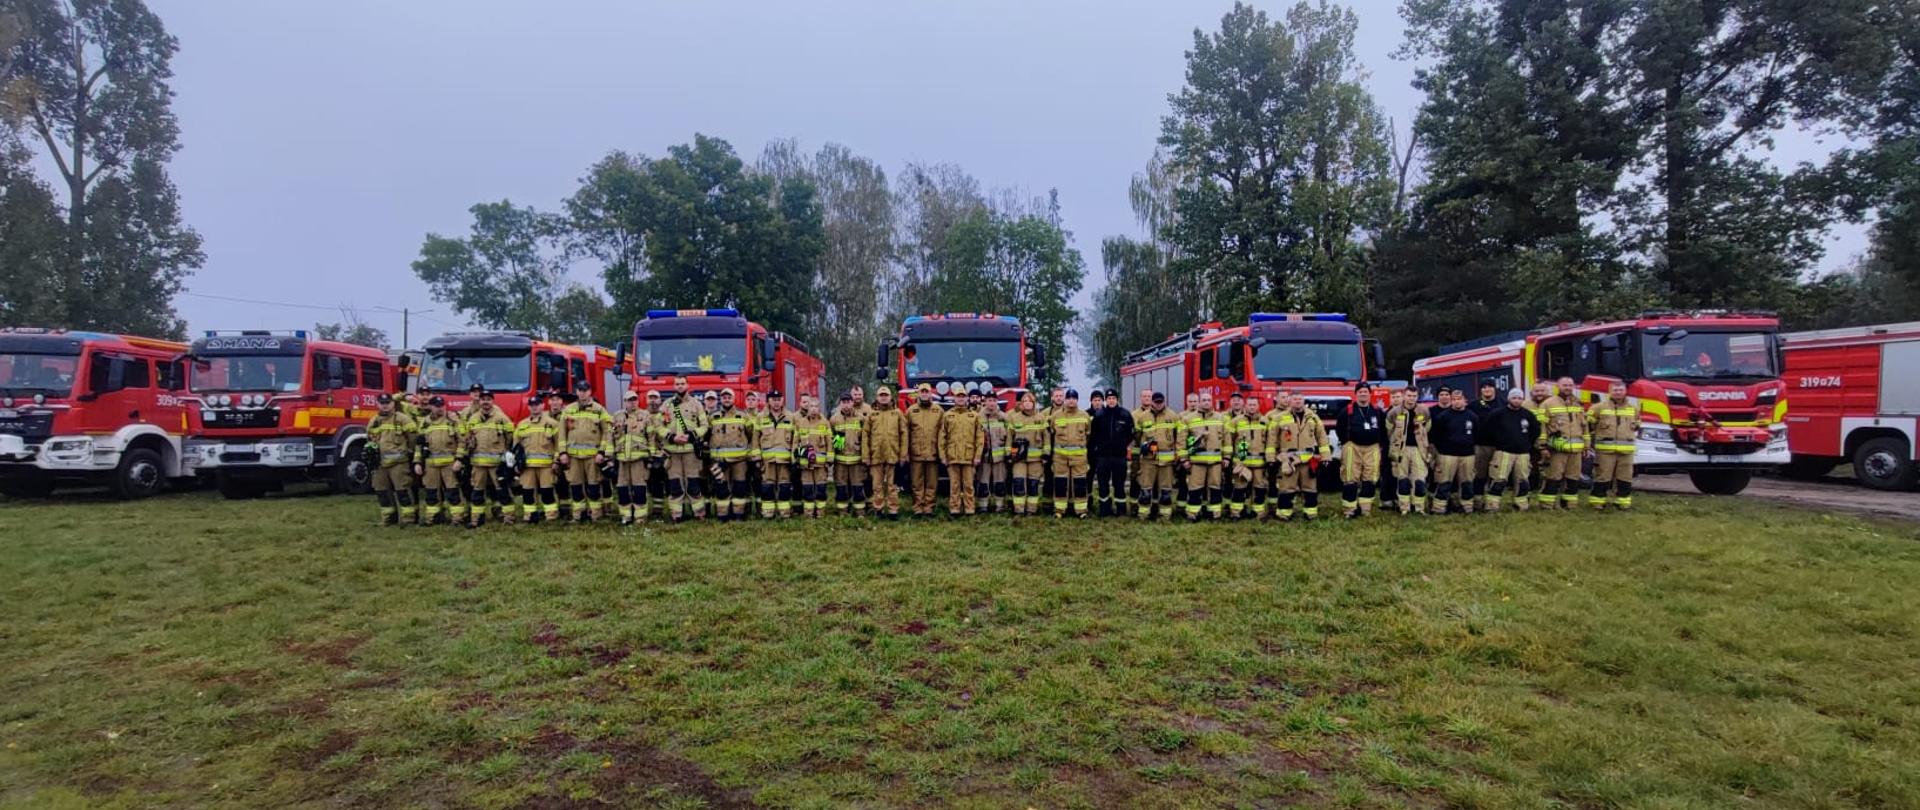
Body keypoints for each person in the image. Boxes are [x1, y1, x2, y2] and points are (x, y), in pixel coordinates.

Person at [558, 380, 613, 523]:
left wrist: (602, 452)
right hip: (573, 457)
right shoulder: (568, 410)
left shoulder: (599, 410)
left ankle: (595, 515)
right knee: (575, 486)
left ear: (590, 392)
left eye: (585, 390)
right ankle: (578, 515)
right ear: (576, 392)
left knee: (593, 486)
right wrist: (562, 453)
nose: (582, 393)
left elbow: (607, 432)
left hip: (593, 456)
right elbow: (562, 433)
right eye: (579, 390)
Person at [658, 376, 711, 522]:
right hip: (672, 452)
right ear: (673, 386)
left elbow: (705, 426)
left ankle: (699, 514)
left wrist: (692, 435)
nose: (680, 386)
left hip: (690, 451)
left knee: (693, 483)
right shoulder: (666, 405)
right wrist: (671, 437)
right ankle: (676, 515)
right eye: (677, 384)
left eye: (682, 383)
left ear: (688, 385)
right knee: (675, 484)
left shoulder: (696, 404)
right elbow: (658, 426)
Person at [1270, 391, 1330, 520]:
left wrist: (1325, 455)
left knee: (1310, 488)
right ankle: (1284, 514)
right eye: (1295, 399)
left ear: (1304, 401)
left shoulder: (1313, 417)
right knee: (1287, 488)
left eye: (1300, 399)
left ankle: (1311, 513)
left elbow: (1322, 437)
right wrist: (1271, 458)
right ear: (1289, 402)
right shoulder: (1279, 418)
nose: (1297, 401)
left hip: (1308, 460)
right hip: (1288, 460)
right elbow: (1272, 439)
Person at [366, 393, 418, 526]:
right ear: (377, 404)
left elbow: (413, 438)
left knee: (403, 491)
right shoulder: (374, 421)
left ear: (393, 404)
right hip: (379, 464)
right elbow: (370, 438)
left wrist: (409, 453)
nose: (385, 405)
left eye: (388, 403)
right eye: (382, 403)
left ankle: (409, 519)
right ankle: (388, 519)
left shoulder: (403, 419)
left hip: (399, 463)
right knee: (381, 491)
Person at [1484, 388, 1541, 511]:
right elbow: (1487, 431)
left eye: (1519, 398)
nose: (1517, 400)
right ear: (1509, 399)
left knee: (1522, 481)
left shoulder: (1528, 415)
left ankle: (1521, 505)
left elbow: (1535, 432)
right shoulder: (1498, 414)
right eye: (1514, 398)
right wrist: (1499, 442)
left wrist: (1526, 443)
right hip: (1503, 452)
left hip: (1523, 454)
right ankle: (1492, 506)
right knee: (1499, 480)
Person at [414, 396, 468, 526]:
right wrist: (417, 462)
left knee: (453, 492)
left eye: (442, 405)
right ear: (430, 407)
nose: (440, 408)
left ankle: (457, 518)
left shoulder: (453, 420)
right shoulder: (425, 422)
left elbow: (463, 441)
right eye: (437, 406)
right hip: (430, 464)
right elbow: (419, 444)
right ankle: (433, 517)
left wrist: (459, 460)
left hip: (450, 463)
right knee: (431, 492)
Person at [464, 391, 514, 527]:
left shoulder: (501, 418)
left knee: (502, 491)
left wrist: (505, 453)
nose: (485, 402)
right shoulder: (473, 419)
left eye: (488, 399)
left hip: (497, 464)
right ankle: (476, 519)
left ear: (493, 401)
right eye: (483, 399)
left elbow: (510, 436)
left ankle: (508, 517)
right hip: (478, 464)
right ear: (479, 402)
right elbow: (467, 438)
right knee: (477, 492)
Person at [1336, 384, 1387, 518]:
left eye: (1365, 392)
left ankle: (1365, 510)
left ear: (1370, 394)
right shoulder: (1347, 411)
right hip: (1353, 447)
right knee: (1350, 478)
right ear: (1356, 394)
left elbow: (1384, 429)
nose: (1363, 394)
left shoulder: (1377, 411)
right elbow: (1339, 428)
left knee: (1370, 478)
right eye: (1360, 392)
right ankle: (1350, 510)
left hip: (1373, 448)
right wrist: (1346, 442)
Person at [1587, 381, 1639, 509]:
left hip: (1626, 452)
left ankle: (1623, 503)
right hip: (1605, 451)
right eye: (1615, 390)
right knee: (1603, 477)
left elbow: (1637, 426)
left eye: (1620, 390)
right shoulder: (1598, 407)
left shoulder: (1633, 408)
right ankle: (1598, 502)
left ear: (1625, 391)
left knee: (1625, 478)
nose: (1618, 392)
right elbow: (1588, 426)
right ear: (1609, 391)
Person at [1427, 386, 1478, 514]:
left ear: (1465, 400)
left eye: (1459, 399)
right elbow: (1434, 435)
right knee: (1444, 482)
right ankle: (1439, 508)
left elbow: (1477, 434)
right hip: (1447, 455)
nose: (1456, 401)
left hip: (1467, 455)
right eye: (1454, 399)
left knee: (1467, 482)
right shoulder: (1443, 417)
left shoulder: (1472, 416)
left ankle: (1467, 507)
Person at [514, 394, 563, 523]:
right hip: (527, 467)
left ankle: (551, 515)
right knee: (527, 492)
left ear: (543, 406)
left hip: (546, 466)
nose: (535, 408)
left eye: (537, 405)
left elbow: (559, 445)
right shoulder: (522, 425)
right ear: (529, 407)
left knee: (547, 492)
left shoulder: (552, 424)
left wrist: (556, 462)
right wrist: (516, 464)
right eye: (532, 405)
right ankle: (530, 515)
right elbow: (516, 447)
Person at [707, 389, 755, 521]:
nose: (726, 399)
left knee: (740, 487)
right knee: (721, 488)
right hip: (718, 461)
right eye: (724, 397)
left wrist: (749, 452)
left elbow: (751, 434)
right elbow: (706, 435)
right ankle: (722, 515)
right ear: (721, 399)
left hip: (740, 460)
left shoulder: (743, 416)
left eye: (729, 397)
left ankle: (739, 515)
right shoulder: (712, 416)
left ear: (733, 399)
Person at [1541, 376, 1589, 509]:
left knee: (1573, 478)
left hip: (1576, 450)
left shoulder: (1578, 404)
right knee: (1553, 477)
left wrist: (1587, 446)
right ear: (1558, 386)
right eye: (1564, 385)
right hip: (1557, 448)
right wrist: (1543, 446)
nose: (1567, 387)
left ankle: (1569, 504)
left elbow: (1584, 426)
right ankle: (1547, 505)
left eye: (1570, 385)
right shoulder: (1548, 403)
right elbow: (1542, 427)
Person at [1179, 391, 1227, 520]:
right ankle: (1193, 514)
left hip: (1215, 462)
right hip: (1196, 462)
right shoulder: (1188, 419)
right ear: (1200, 402)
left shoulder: (1220, 418)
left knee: (1215, 488)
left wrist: (1226, 457)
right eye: (1204, 400)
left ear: (1212, 401)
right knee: (1195, 489)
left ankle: (1214, 514)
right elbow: (1181, 441)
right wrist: (1184, 460)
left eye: (1208, 400)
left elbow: (1226, 439)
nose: (1206, 402)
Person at [938, 390, 985, 516]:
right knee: (954, 486)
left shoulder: (974, 416)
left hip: (969, 457)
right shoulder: (947, 415)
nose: (960, 399)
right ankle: (955, 509)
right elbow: (942, 437)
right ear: (954, 398)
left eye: (963, 397)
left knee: (969, 485)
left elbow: (980, 438)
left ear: (967, 399)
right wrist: (942, 456)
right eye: (958, 397)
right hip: (952, 456)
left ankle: (970, 509)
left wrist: (978, 456)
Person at [1134, 391, 1179, 520]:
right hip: (1148, 461)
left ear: (1164, 401)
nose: (1158, 405)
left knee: (1166, 491)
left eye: (1161, 402)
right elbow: (1137, 437)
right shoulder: (1143, 417)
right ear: (1152, 402)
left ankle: (1165, 515)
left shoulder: (1173, 416)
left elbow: (1179, 436)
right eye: (1156, 402)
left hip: (1167, 462)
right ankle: (1143, 514)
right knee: (1146, 490)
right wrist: (1144, 446)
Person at [612, 391, 655, 525]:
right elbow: (611, 436)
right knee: (622, 488)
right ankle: (626, 516)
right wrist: (609, 456)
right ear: (624, 402)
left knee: (639, 488)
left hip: (639, 458)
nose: (633, 402)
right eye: (630, 400)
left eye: (635, 400)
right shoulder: (617, 416)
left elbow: (651, 437)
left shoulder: (645, 415)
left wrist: (652, 455)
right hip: (622, 459)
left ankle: (640, 517)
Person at [1386, 388, 1431, 515]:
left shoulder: (1424, 410)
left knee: (1419, 480)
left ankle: (1419, 508)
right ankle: (1404, 508)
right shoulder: (1394, 412)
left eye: (1414, 396)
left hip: (1419, 449)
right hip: (1401, 450)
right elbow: (1389, 430)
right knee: (1403, 480)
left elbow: (1428, 427)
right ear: (1404, 396)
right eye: (1409, 395)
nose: (1412, 398)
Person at [1090, 388, 1134, 517]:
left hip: (1119, 456)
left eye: (1113, 398)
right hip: (1103, 456)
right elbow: (1094, 434)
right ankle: (1105, 509)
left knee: (1119, 484)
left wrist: (1122, 444)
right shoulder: (1099, 415)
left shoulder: (1125, 414)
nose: (1111, 400)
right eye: (1108, 398)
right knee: (1103, 485)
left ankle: (1120, 510)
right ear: (1106, 400)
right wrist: (1099, 447)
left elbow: (1130, 434)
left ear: (1117, 399)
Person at [1050, 389, 1093, 518]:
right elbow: (1052, 434)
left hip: (1079, 458)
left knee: (1080, 483)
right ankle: (1059, 510)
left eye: (1074, 398)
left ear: (1077, 400)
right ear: (1065, 400)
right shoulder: (1056, 416)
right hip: (1060, 458)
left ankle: (1081, 511)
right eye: (1068, 398)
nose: (1071, 400)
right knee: (1060, 483)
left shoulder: (1084, 416)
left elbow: (1088, 435)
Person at [1226, 393, 1270, 519]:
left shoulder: (1265, 421)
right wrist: (1231, 459)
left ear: (1258, 406)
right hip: (1242, 462)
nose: (1252, 407)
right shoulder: (1235, 422)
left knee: (1259, 489)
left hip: (1259, 463)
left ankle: (1259, 513)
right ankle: (1236, 513)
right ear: (1245, 406)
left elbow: (1270, 441)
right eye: (1249, 404)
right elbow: (1229, 441)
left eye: (1254, 405)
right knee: (1239, 488)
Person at [755, 391, 797, 518]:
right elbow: (755, 439)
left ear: (782, 400)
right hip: (767, 461)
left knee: (784, 487)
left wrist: (794, 459)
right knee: (767, 487)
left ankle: (784, 513)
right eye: (773, 399)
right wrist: (757, 458)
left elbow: (796, 439)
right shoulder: (761, 417)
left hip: (784, 461)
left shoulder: (791, 417)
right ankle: (768, 513)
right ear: (768, 401)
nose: (776, 402)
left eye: (779, 399)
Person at [1007, 392, 1050, 516]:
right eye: (1024, 401)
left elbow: (1046, 437)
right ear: (1021, 403)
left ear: (1033, 403)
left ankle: (1031, 509)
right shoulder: (1014, 418)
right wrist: (1008, 454)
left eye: (1029, 401)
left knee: (1033, 485)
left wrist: (1046, 454)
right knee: (1018, 483)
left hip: (1036, 459)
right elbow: (1010, 438)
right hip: (1019, 459)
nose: (1027, 403)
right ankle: (1019, 509)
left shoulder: (1041, 418)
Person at [905, 383, 945, 517]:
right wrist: (906, 452)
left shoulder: (938, 411)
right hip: (916, 453)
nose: (924, 394)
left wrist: (941, 452)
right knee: (916, 483)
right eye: (922, 392)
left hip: (933, 453)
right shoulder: (911, 411)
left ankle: (929, 508)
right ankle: (917, 508)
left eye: (926, 392)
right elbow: (906, 433)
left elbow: (943, 433)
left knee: (932, 483)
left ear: (930, 394)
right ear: (918, 394)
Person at [794, 394, 832, 518]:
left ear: (819, 408)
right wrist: (797, 460)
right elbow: (796, 442)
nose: (814, 408)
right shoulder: (800, 423)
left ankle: (820, 513)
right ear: (807, 407)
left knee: (821, 489)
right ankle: (808, 514)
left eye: (816, 406)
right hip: (806, 465)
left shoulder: (825, 422)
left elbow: (830, 442)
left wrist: (830, 459)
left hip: (821, 465)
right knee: (807, 489)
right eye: (811, 406)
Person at [830, 394, 868, 515]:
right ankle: (842, 511)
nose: (846, 405)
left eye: (848, 402)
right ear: (840, 403)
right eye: (843, 402)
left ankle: (860, 511)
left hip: (857, 461)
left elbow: (865, 439)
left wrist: (865, 456)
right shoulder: (834, 419)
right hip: (840, 461)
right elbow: (832, 440)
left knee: (858, 487)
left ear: (852, 403)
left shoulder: (861, 418)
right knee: (841, 487)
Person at [1467, 381, 1501, 509]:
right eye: (1484, 387)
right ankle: (1477, 502)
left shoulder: (1502, 404)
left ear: (1494, 389)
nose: (1487, 389)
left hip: (1498, 447)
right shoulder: (1473, 405)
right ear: (1480, 390)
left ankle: (1492, 504)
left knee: (1496, 476)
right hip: (1479, 446)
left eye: (1490, 387)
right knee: (1479, 475)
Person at [978, 396, 1009, 513]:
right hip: (984, 457)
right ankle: (983, 506)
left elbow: (1010, 436)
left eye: (994, 400)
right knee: (983, 482)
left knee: (1000, 482)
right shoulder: (978, 416)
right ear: (985, 402)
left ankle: (1000, 506)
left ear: (997, 402)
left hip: (999, 457)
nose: (992, 403)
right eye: (989, 400)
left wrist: (1009, 453)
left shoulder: (1003, 417)